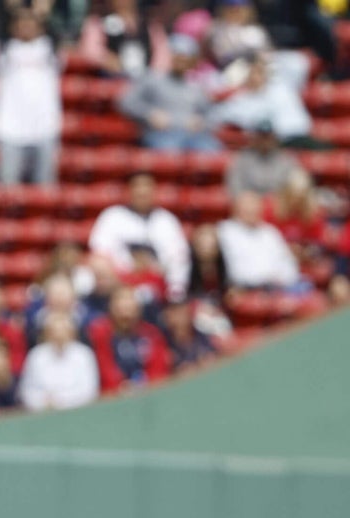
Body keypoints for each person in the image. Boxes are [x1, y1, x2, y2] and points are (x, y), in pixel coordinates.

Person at [88, 173, 190, 301]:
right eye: (137, 186)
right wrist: (130, 266)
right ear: (128, 190)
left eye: (147, 186)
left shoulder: (167, 220)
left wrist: (152, 268)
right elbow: (100, 253)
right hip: (118, 287)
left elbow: (178, 259)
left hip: (158, 287)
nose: (142, 191)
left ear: (154, 190)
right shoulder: (112, 216)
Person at [0, 8, 62, 186]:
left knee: (45, 185)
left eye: (31, 24)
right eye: (21, 23)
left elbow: (58, 35)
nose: (26, 28)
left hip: (45, 126)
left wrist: (44, 11)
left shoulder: (49, 49)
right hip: (9, 127)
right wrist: (10, 8)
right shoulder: (4, 49)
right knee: (8, 184)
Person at [119, 34, 222, 152]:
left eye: (186, 58)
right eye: (178, 57)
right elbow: (126, 102)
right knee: (170, 151)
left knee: (213, 150)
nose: (181, 62)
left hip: (193, 136)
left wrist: (202, 123)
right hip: (161, 134)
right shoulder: (152, 78)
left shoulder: (196, 86)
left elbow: (213, 115)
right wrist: (149, 114)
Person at [86, 285, 171, 393]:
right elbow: (105, 371)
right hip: (115, 399)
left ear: (138, 308)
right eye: (121, 300)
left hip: (149, 394)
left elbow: (158, 371)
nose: (125, 305)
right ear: (111, 307)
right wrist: (122, 389)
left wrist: (145, 386)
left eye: (129, 300)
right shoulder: (100, 334)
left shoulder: (152, 334)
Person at [216, 191, 302, 290]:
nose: (252, 212)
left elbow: (288, 265)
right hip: (242, 289)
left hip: (276, 288)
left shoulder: (270, 232)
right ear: (236, 210)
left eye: (254, 208)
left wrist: (281, 279)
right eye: (247, 209)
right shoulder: (225, 231)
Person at [17, 311, 100, 411]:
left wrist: (61, 401)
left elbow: (89, 391)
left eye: (63, 330)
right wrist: (42, 403)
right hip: (44, 414)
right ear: (47, 333)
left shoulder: (83, 354)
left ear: (71, 332)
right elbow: (27, 390)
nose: (59, 335)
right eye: (54, 331)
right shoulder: (36, 356)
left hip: (78, 411)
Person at [224, 121, 299, 197]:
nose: (265, 140)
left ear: (274, 137)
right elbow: (235, 186)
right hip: (252, 199)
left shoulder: (285, 158)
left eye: (268, 136)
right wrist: (243, 197)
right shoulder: (243, 158)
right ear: (255, 137)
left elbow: (295, 183)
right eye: (262, 136)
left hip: (280, 199)